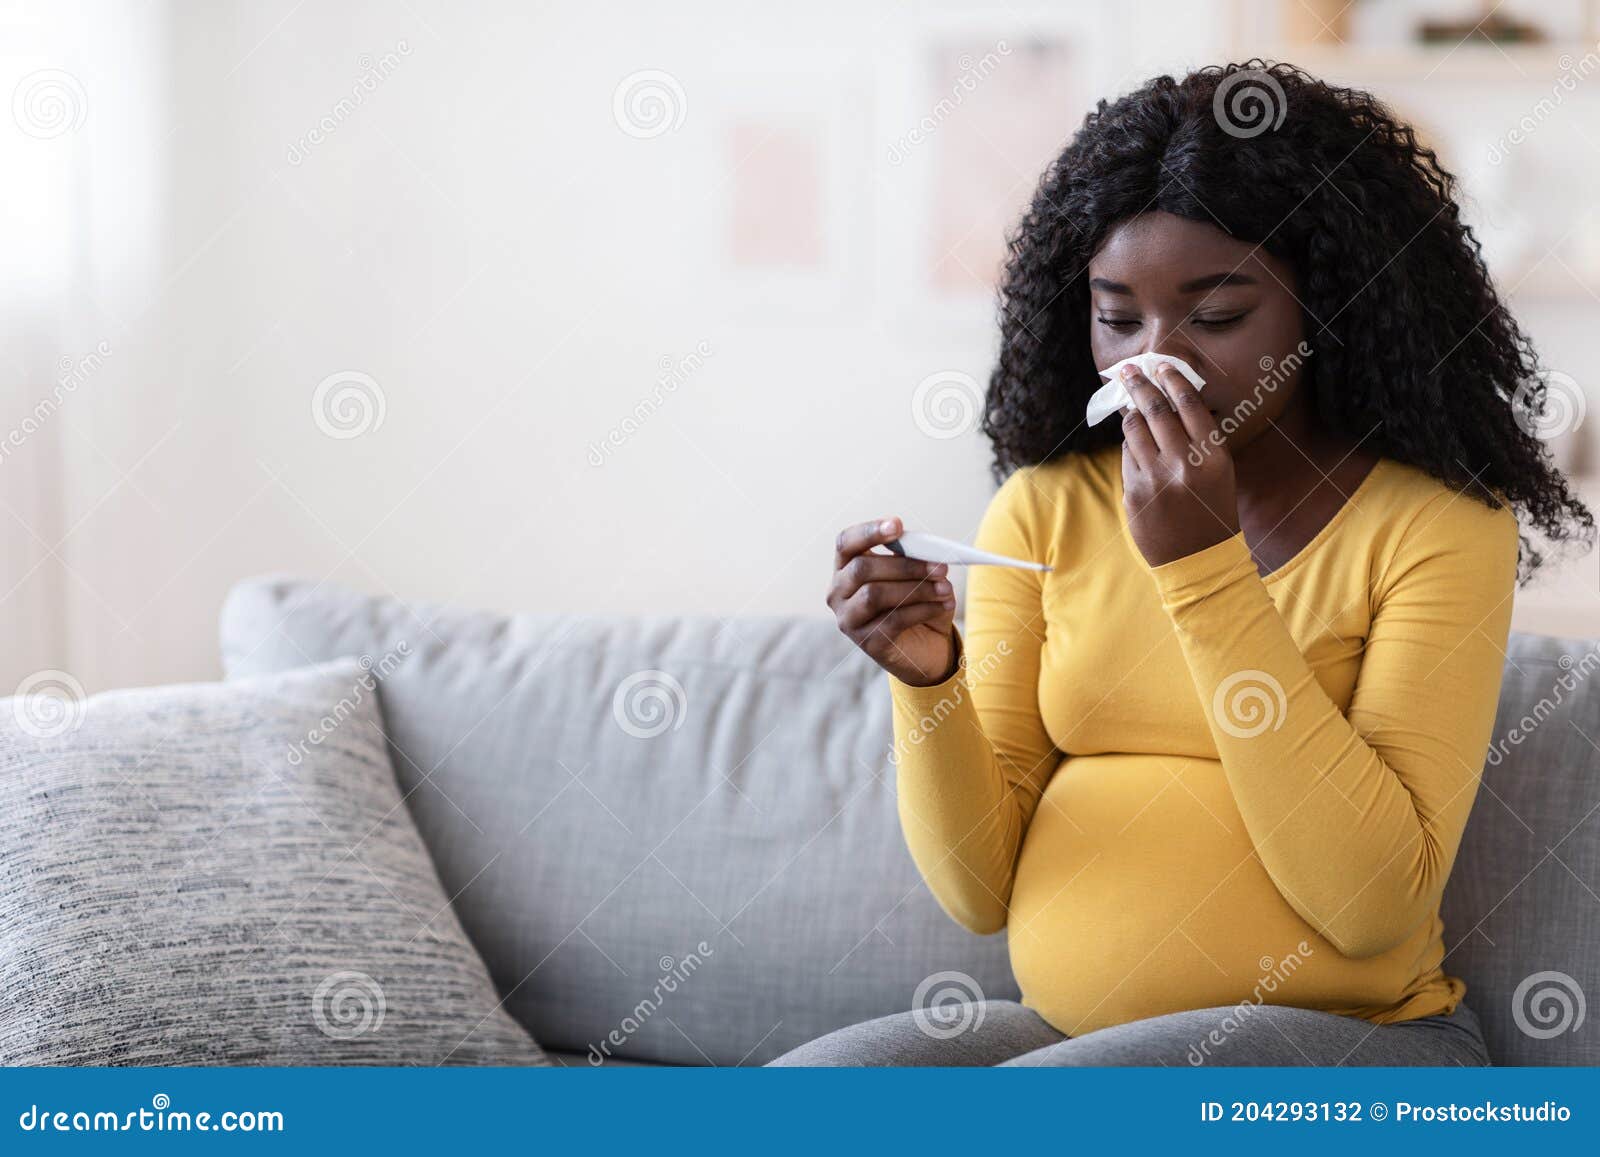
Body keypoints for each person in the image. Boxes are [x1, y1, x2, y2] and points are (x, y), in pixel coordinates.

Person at [780, 60, 1593, 1067]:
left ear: (1329, 311)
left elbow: (1372, 904)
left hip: (1363, 1046)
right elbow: (975, 889)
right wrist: (927, 681)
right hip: (1071, 1036)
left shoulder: (1435, 524)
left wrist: (1203, 570)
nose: (1150, 362)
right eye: (1117, 315)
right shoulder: (1043, 508)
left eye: (1214, 316)